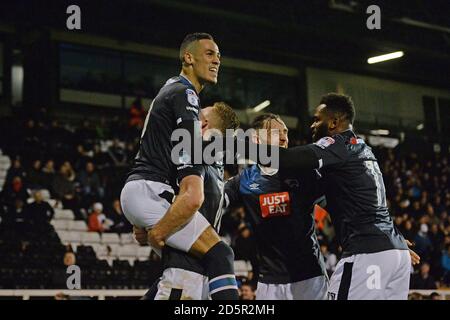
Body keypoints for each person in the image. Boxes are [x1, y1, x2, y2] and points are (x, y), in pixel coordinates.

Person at [244, 93, 420, 299]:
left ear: (334, 122)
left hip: (367, 253)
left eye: (318, 119)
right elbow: (368, 203)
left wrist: (232, 145)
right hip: (394, 253)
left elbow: (288, 158)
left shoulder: (337, 145)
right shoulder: (362, 149)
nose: (312, 125)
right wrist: (393, 240)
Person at [121, 33, 239, 300]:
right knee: (220, 252)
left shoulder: (172, 90)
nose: (217, 60)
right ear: (188, 57)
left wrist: (150, 225)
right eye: (209, 53)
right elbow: (193, 196)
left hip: (145, 190)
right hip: (151, 189)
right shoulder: (186, 94)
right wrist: (158, 229)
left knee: (189, 261)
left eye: (219, 55)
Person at [134, 103, 240, 300]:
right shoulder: (216, 167)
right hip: (196, 273)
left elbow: (181, 198)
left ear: (203, 124)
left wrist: (149, 227)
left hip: (183, 275)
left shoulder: (192, 153)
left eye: (195, 116)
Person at [225, 114, 328, 300]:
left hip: (309, 277)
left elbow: (337, 207)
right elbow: (213, 201)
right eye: (275, 132)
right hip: (269, 282)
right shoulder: (244, 180)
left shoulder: (304, 172)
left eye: (286, 132)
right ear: (256, 140)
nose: (284, 137)